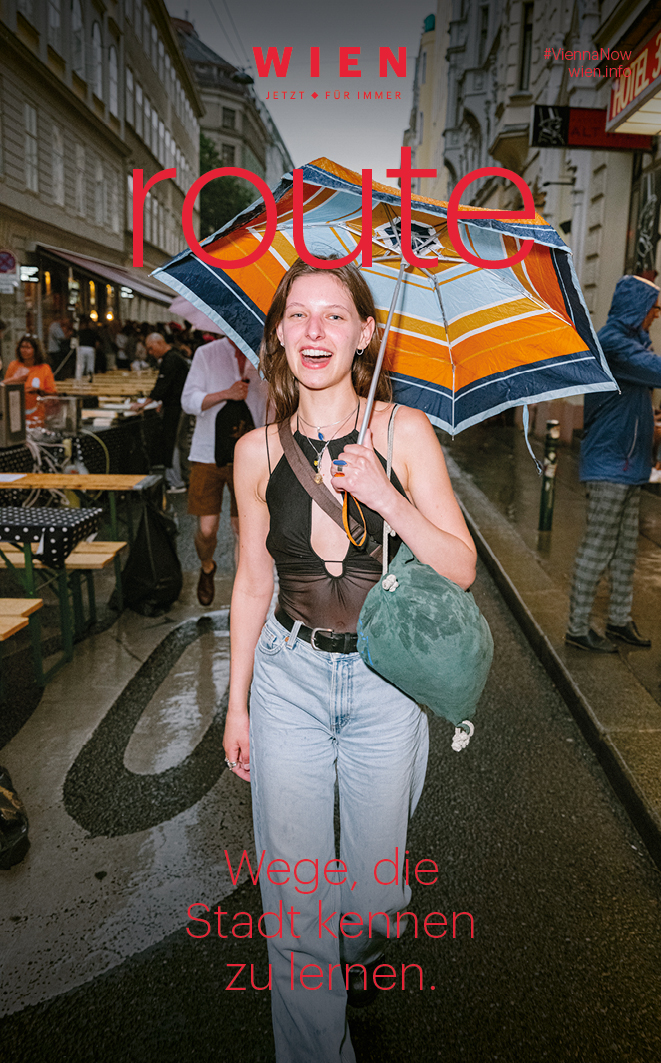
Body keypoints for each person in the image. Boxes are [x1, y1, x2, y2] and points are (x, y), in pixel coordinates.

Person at [223, 258, 476, 1062]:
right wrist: (237, 703)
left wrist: (387, 495)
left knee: (372, 904)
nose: (314, 332)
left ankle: (355, 949)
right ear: (278, 334)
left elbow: (462, 566)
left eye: (334, 316)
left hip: (383, 687)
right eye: (297, 316)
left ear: (367, 332)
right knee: (298, 909)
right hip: (288, 680)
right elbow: (253, 580)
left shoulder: (402, 432)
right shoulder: (255, 450)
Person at [566, 274, 661, 652]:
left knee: (624, 551)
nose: (655, 316)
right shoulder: (615, 344)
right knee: (598, 547)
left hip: (630, 462)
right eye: (653, 309)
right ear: (636, 308)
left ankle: (619, 620)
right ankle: (576, 627)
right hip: (610, 466)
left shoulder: (634, 342)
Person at [181, 335, 269, 605]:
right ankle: (207, 566)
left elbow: (271, 407)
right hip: (208, 453)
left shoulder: (265, 357)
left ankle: (242, 595)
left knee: (243, 528)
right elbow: (188, 401)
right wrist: (225, 394)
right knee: (207, 529)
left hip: (249, 457)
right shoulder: (208, 353)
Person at [132, 332, 189, 491]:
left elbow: (163, 384)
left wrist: (145, 403)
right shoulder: (175, 357)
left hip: (176, 407)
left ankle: (175, 482)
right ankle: (186, 476)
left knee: (172, 442)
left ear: (158, 343)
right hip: (179, 404)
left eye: (151, 348)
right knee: (181, 443)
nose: (150, 352)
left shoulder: (170, 359)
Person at [5, 334, 56, 422]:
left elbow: (52, 394)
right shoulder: (14, 365)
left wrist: (38, 391)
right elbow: (5, 388)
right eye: (22, 347)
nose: (24, 350)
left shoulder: (44, 368)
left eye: (28, 348)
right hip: (16, 415)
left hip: (37, 416)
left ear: (35, 350)